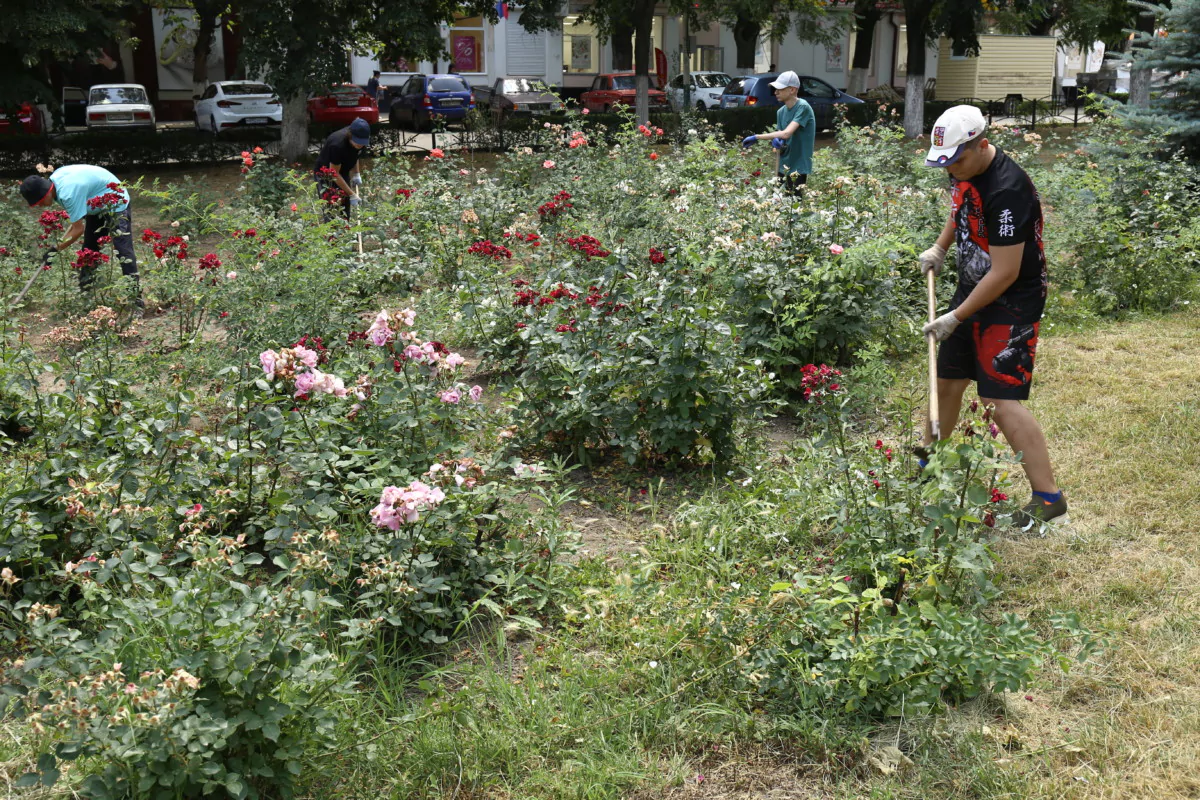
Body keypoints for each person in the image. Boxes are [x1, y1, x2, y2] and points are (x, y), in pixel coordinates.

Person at [919, 105, 1067, 528]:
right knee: (946, 380)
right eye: (946, 164)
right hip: (973, 290)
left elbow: (1005, 272)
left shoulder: (1008, 190)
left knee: (999, 399)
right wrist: (941, 247)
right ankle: (932, 470)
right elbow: (961, 209)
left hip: (1011, 300)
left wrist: (956, 317)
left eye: (957, 160)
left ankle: (1048, 501)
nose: (952, 170)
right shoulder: (964, 169)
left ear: (982, 144)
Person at [19, 165, 143, 310]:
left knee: (123, 251)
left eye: (38, 202)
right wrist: (55, 249)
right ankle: (86, 297)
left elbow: (78, 229)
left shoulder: (68, 193)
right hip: (96, 203)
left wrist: (55, 249)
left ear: (45, 193)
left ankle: (136, 303)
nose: (39, 206)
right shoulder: (56, 185)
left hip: (115, 200)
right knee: (89, 251)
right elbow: (74, 226)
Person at [740, 71, 815, 197]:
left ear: (792, 90)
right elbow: (782, 138)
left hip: (798, 167)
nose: (775, 92)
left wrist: (757, 137)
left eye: (779, 89)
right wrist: (777, 144)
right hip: (783, 165)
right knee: (778, 204)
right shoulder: (781, 112)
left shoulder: (803, 107)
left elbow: (786, 133)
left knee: (794, 206)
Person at [313, 117, 370, 220]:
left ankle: (345, 231)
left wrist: (356, 174)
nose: (360, 145)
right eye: (357, 142)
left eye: (362, 143)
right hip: (326, 175)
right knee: (331, 208)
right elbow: (334, 174)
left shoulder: (361, 138)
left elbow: (355, 155)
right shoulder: (337, 144)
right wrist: (352, 194)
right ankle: (331, 234)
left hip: (341, 171)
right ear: (350, 135)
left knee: (345, 205)